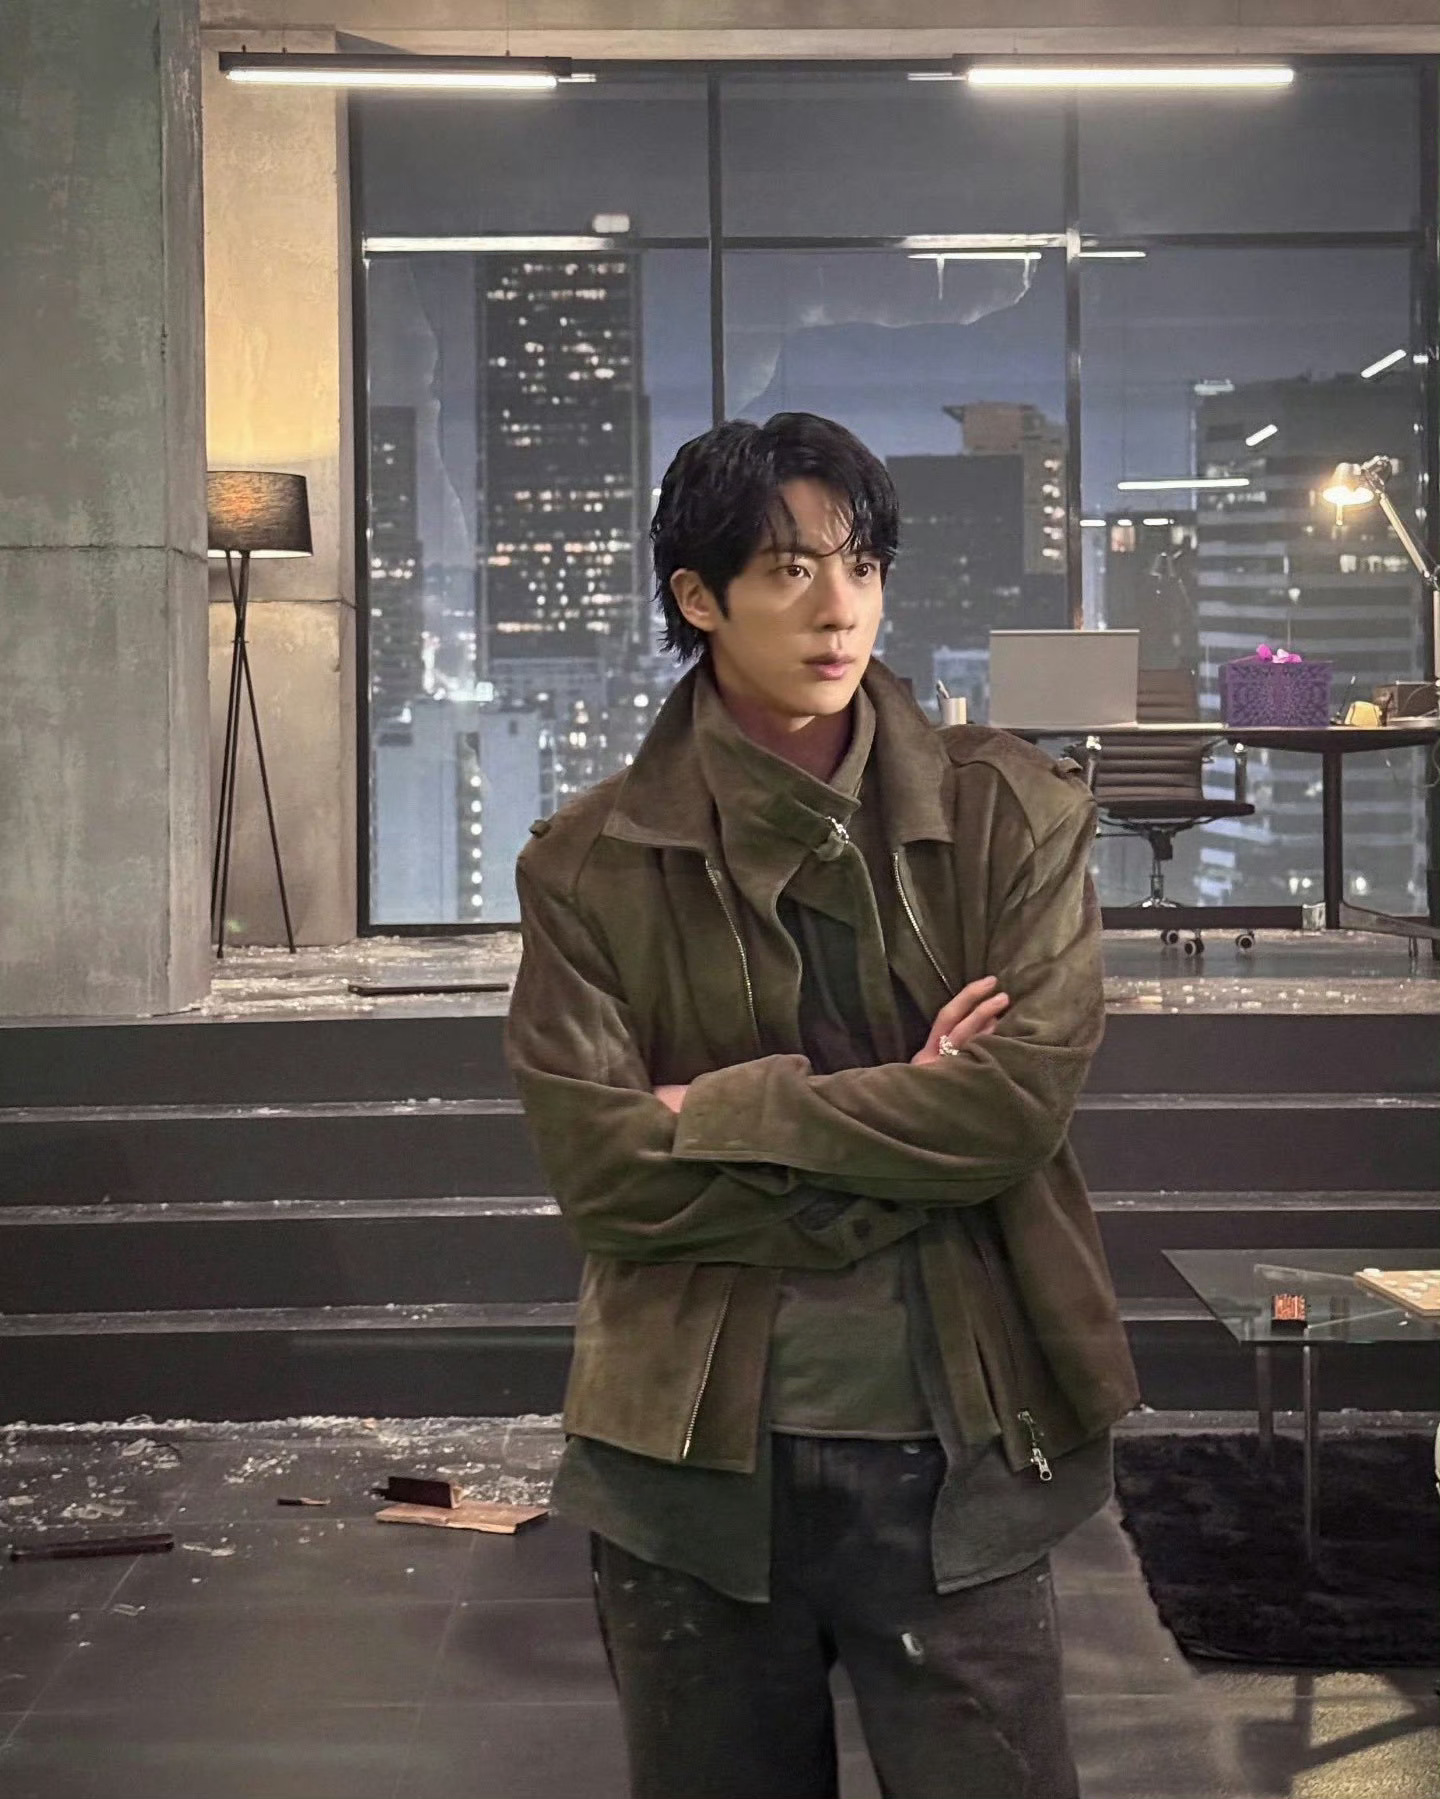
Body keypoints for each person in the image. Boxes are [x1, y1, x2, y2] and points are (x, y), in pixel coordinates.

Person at [505, 411, 1140, 1799]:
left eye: (861, 566)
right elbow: (600, 1169)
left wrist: (716, 1111)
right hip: (685, 1456)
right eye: (789, 571)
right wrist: (905, 1114)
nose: (839, 608)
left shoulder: (1012, 816)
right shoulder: (588, 864)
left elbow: (1009, 1113)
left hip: (958, 1429)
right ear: (699, 598)